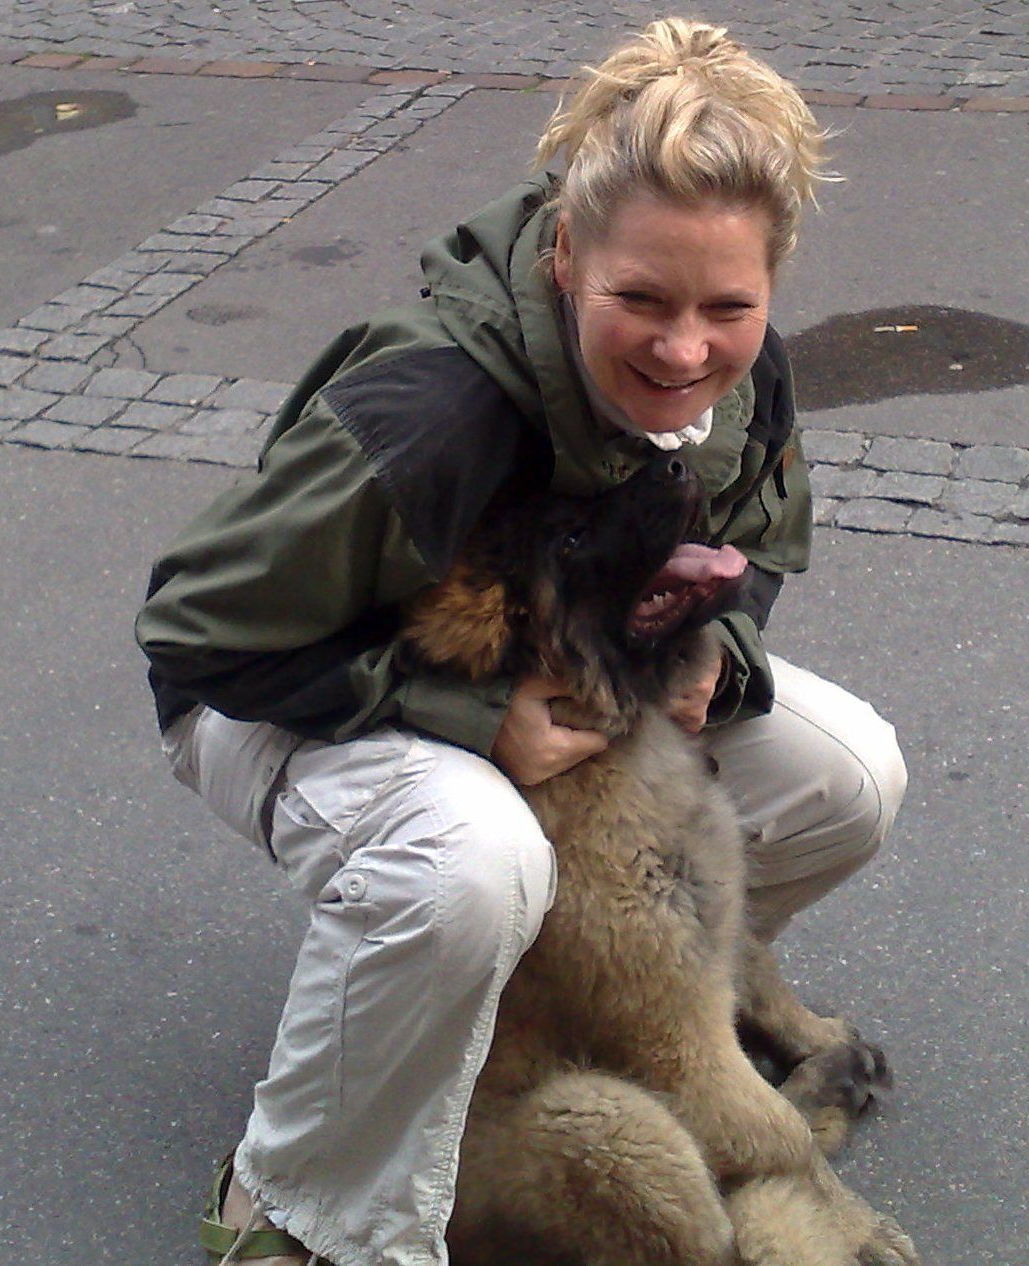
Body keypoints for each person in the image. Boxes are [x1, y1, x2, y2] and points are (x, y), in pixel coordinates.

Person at [135, 18, 907, 1266]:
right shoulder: (428, 412)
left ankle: (605, 1012)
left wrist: (723, 649)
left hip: (562, 685)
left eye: (726, 305)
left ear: (766, 285)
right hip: (287, 692)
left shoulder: (740, 372)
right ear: (564, 255)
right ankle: (291, 1195)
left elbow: (752, 547)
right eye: (639, 299)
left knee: (846, 774)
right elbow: (193, 636)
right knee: (470, 864)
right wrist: (472, 720)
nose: (684, 347)